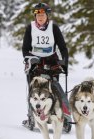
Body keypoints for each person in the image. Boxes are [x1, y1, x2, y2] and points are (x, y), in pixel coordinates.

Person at [22, 2, 70, 130]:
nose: (40, 18)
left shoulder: (54, 28)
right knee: (34, 91)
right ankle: (32, 117)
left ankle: (61, 116)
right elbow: (25, 49)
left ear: (47, 15)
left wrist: (64, 62)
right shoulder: (30, 28)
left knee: (53, 89)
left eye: (43, 15)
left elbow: (63, 48)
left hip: (51, 62)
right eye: (38, 15)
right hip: (35, 63)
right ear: (35, 16)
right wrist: (30, 59)